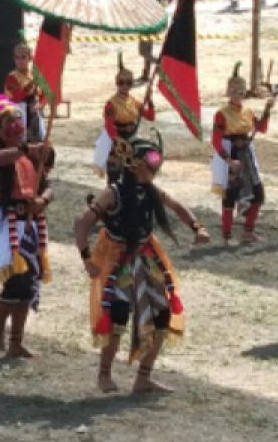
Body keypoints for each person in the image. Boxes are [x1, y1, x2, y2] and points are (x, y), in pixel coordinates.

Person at [75, 136, 209, 393]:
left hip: (146, 254)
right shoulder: (112, 192)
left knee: (161, 313)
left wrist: (197, 227)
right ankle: (104, 374)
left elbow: (176, 206)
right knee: (117, 314)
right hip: (116, 257)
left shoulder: (151, 189)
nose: (155, 170)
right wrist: (86, 258)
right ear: (134, 164)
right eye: (151, 163)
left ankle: (143, 378)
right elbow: (82, 222)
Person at [0, 89, 53, 359]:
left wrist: (42, 201)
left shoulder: (30, 155)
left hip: (30, 221)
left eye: (17, 122)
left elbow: (48, 187)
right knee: (16, 280)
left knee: (27, 282)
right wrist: (25, 149)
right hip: (7, 223)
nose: (15, 127)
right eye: (8, 123)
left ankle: (16, 341)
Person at [211, 63, 274, 244]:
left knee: (258, 195)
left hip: (247, 155)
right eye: (234, 90)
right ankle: (226, 235)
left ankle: (248, 231)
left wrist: (268, 109)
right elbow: (215, 141)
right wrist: (228, 160)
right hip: (230, 154)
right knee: (230, 196)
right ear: (229, 92)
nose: (238, 94)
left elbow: (261, 128)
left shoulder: (248, 112)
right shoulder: (221, 114)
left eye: (241, 91)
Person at [92, 57, 155, 180]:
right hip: (117, 143)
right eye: (122, 83)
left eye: (128, 83)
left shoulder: (134, 102)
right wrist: (120, 143)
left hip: (132, 140)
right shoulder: (111, 104)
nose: (125, 86)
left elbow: (150, 116)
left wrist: (149, 100)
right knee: (115, 177)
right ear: (117, 83)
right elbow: (109, 127)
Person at [3, 42, 46, 143]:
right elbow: (16, 97)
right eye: (17, 58)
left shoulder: (34, 75)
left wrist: (39, 105)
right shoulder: (12, 77)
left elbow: (43, 95)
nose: (20, 61)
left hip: (35, 112)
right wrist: (32, 84)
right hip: (18, 114)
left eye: (23, 57)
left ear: (29, 58)